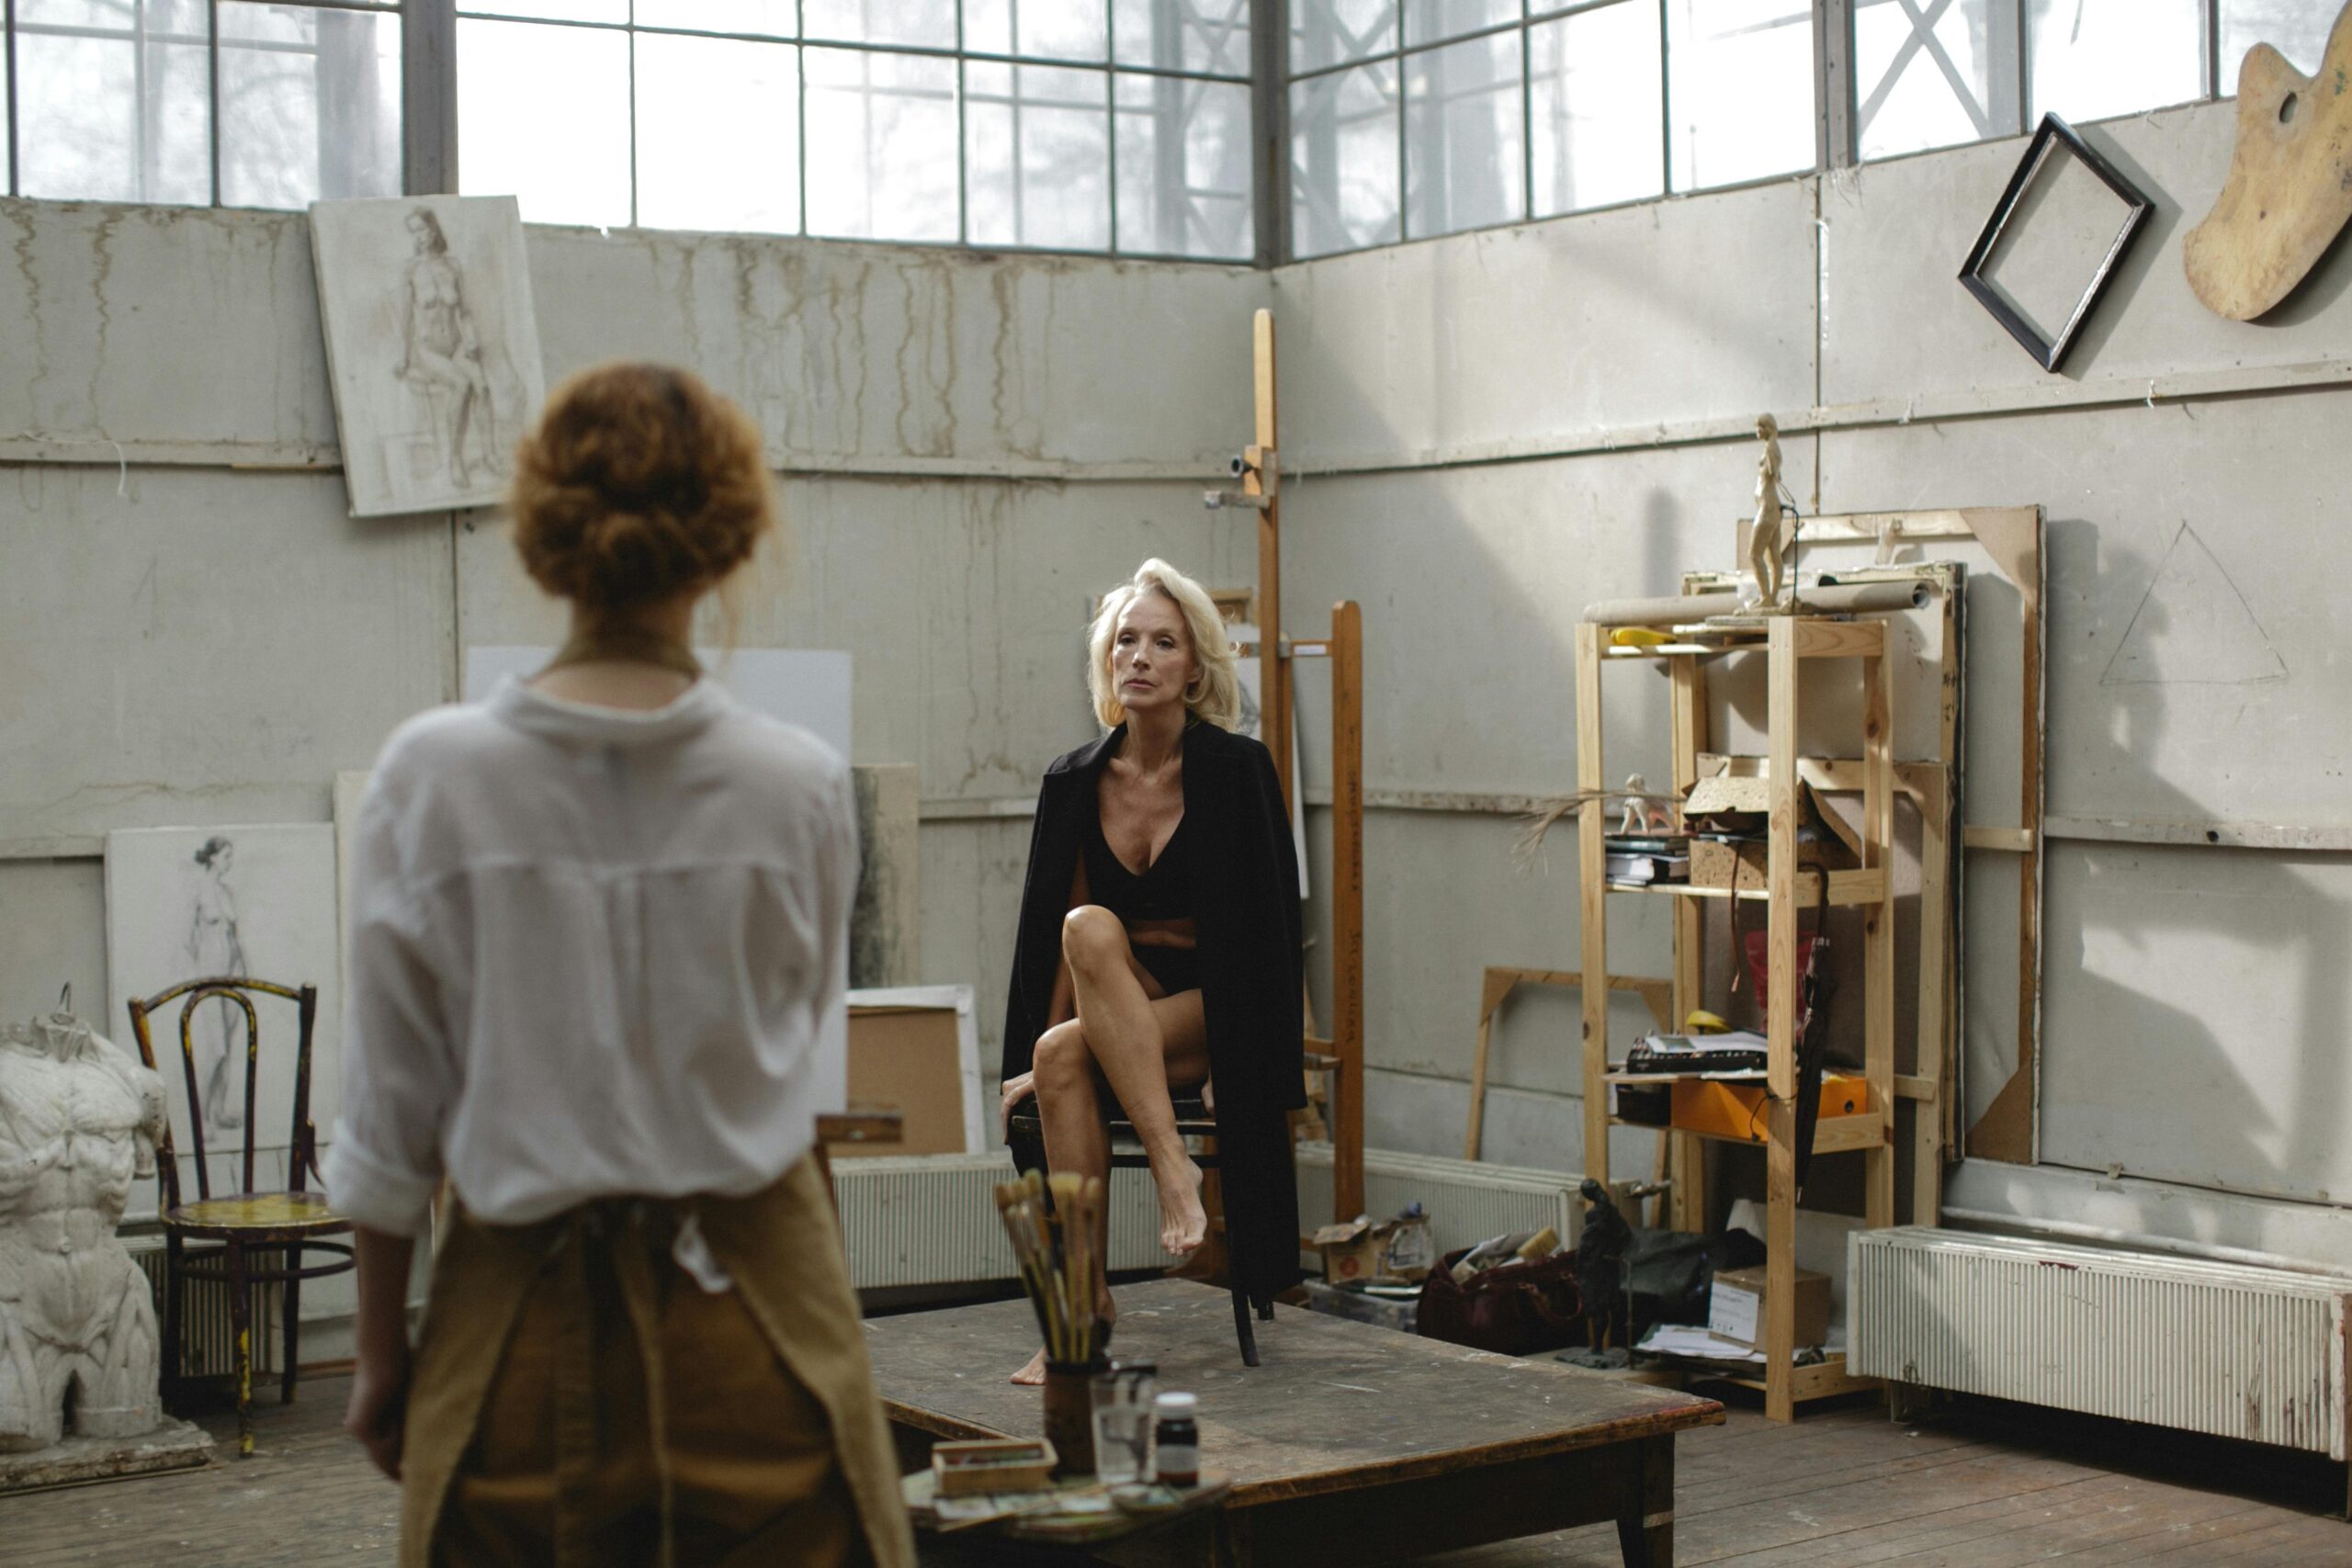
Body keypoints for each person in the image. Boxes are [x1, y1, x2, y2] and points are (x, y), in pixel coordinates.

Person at [326, 363, 912, 1568]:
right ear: (727, 537)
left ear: (543, 532)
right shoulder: (797, 786)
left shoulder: (433, 778)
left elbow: (391, 1123)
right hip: (755, 1329)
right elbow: (792, 1062)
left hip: (516, 1338)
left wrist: (381, 1354)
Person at [999, 558, 1305, 1385]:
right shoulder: (1075, 780)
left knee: (1074, 1028)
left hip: (1215, 1012)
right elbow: (1060, 945)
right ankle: (1084, 1304)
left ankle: (1172, 1171)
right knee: (1081, 953)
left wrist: (1250, 1059)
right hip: (1122, 1002)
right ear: (1107, 660)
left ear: (1195, 668)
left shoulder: (1236, 771)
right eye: (1125, 640)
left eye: (1163, 642)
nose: (1139, 656)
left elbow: (1273, 929)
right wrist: (1037, 1054)